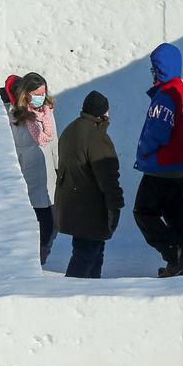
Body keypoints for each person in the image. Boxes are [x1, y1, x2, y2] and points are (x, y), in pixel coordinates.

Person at [133, 43, 183, 278]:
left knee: (144, 212)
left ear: (160, 69)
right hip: (182, 167)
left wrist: (143, 152)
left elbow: (156, 132)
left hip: (160, 167)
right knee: (177, 216)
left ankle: (176, 255)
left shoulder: (165, 95)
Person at [55, 91, 124, 279]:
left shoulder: (71, 129)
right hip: (90, 208)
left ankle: (93, 291)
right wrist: (115, 205)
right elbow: (108, 176)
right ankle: (71, 295)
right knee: (86, 254)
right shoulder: (96, 137)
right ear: (103, 113)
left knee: (92, 250)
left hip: (71, 204)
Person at [9, 71, 60, 265]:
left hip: (48, 178)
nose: (41, 97)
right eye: (37, 93)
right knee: (38, 225)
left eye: (43, 93)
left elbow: (54, 142)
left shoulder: (47, 113)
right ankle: (33, 262)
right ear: (26, 93)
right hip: (28, 179)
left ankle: (41, 256)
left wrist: (59, 167)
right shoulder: (14, 115)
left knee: (52, 224)